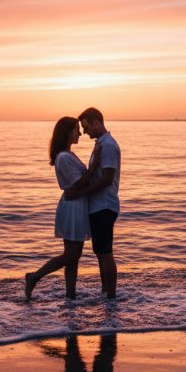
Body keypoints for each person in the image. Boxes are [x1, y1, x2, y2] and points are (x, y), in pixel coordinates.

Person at [24, 117, 97, 300]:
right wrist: (95, 166)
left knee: (73, 256)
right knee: (72, 255)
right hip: (73, 207)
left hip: (77, 205)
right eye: (76, 130)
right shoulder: (64, 157)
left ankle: (70, 295)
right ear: (67, 132)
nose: (79, 133)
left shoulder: (68, 154)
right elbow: (78, 183)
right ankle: (35, 276)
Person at [65, 107, 121, 299]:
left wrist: (80, 192)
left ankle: (111, 297)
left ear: (96, 122)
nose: (84, 131)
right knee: (100, 253)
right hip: (98, 206)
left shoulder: (108, 146)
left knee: (105, 253)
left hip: (104, 206)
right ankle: (106, 294)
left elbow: (106, 180)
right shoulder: (101, 145)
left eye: (86, 126)